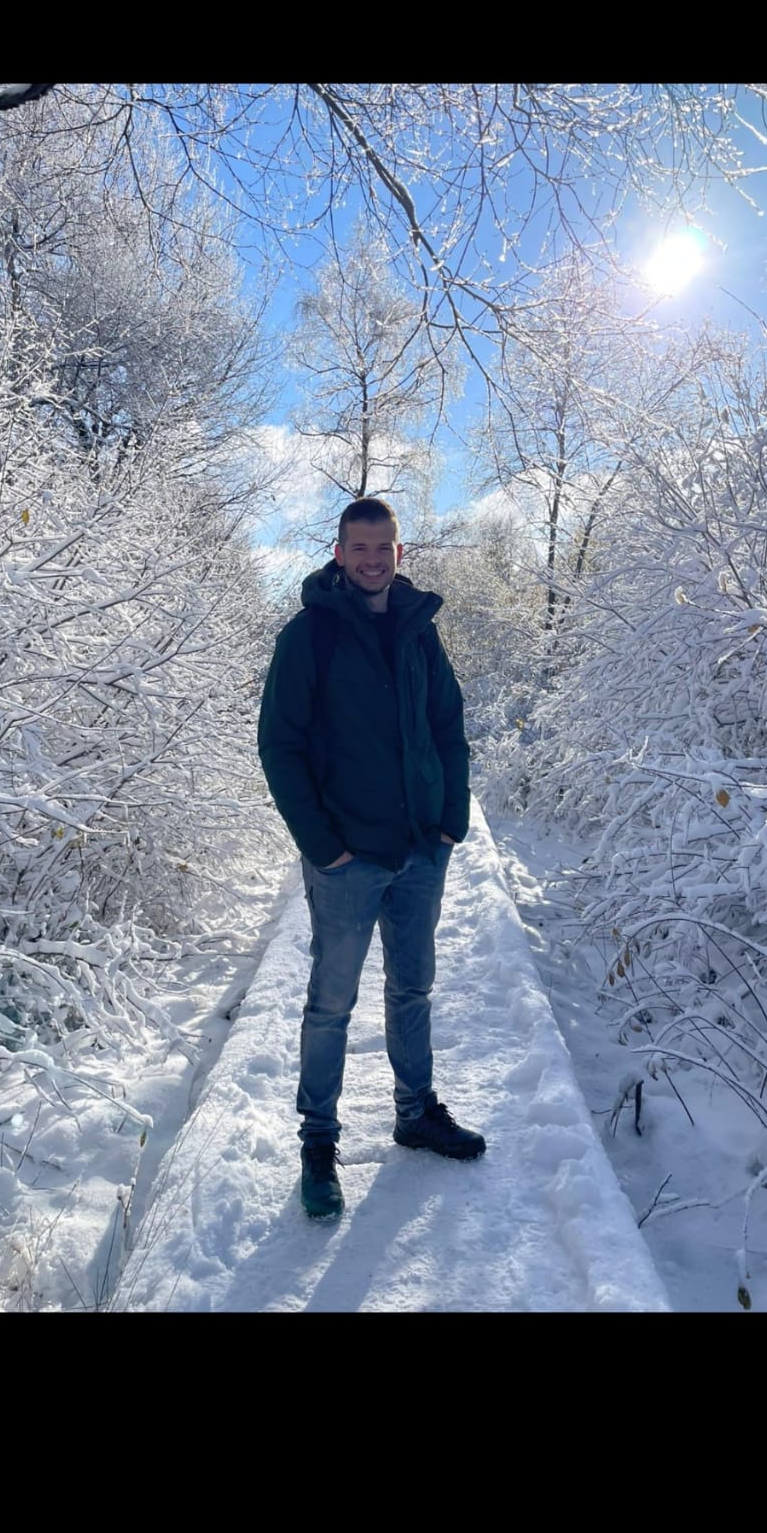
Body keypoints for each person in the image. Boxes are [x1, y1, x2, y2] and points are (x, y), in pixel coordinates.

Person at [257, 496, 487, 1218]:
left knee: (412, 989)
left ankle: (415, 1113)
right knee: (331, 1004)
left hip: (420, 848)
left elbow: (447, 725)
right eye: (358, 547)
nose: (371, 559)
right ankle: (318, 1144)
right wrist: (322, 845)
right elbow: (279, 745)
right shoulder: (310, 635)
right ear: (338, 552)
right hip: (347, 858)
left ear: (398, 552)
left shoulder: (419, 629)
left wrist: (449, 821)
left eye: (382, 547)